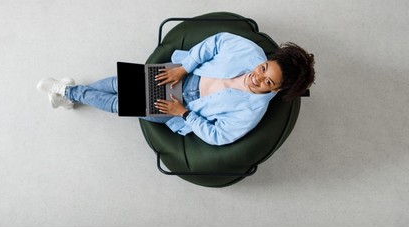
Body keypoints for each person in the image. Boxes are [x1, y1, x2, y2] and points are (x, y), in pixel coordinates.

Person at [37, 32, 315, 146]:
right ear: (268, 59)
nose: (258, 77)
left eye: (268, 82)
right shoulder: (249, 50)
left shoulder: (252, 112)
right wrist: (185, 67)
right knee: (117, 83)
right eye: (265, 68)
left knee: (118, 104)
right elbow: (215, 43)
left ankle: (68, 92)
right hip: (184, 75)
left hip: (181, 108)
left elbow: (219, 136)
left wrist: (183, 114)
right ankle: (70, 93)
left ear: (277, 90)